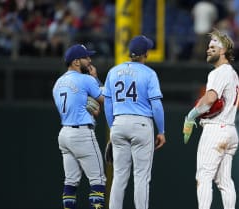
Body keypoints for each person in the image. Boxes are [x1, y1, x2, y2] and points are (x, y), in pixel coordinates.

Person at [103, 35, 166, 209]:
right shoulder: (149, 73)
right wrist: (161, 130)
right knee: (141, 177)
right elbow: (157, 105)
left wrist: (112, 128)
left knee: (119, 176)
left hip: (118, 124)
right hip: (141, 124)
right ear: (145, 54)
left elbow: (108, 104)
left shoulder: (113, 71)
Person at [182, 29, 239, 209]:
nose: (208, 49)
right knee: (224, 181)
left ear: (223, 51)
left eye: (213, 46)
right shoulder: (233, 73)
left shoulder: (219, 72)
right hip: (230, 130)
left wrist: (191, 116)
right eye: (208, 46)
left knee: (203, 177)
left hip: (216, 130)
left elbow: (210, 99)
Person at [52, 44, 106, 209]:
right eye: (86, 57)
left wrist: (89, 106)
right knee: (98, 180)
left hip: (64, 135)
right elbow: (105, 98)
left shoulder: (58, 83)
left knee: (70, 182)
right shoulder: (86, 79)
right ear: (76, 62)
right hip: (82, 134)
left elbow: (79, 106)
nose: (89, 60)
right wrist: (96, 78)